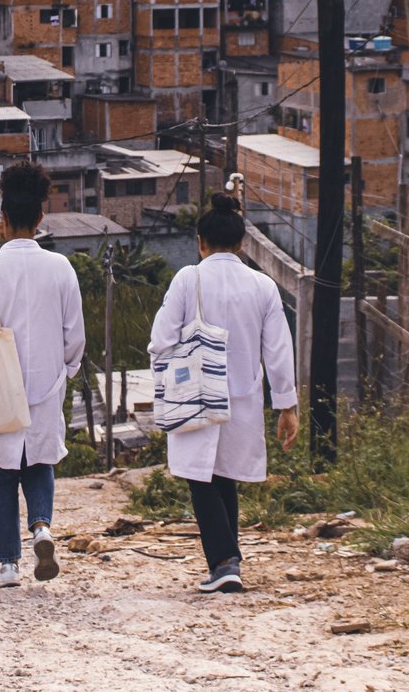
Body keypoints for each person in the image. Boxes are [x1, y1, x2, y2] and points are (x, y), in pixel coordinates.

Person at [148, 193, 299, 593]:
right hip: (242, 398)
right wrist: (286, 405)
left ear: (200, 241)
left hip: (195, 392)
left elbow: (160, 339)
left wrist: (166, 378)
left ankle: (224, 561)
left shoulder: (188, 279)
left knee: (201, 479)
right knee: (224, 476)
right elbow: (279, 350)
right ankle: (228, 558)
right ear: (241, 243)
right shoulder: (264, 287)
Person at [0, 162, 85, 589]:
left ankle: (8, 564)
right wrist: (64, 372)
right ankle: (42, 527)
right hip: (46, 385)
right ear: (41, 218)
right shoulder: (62, 268)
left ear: (2, 218)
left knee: (0, 475)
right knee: (41, 462)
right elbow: (74, 338)